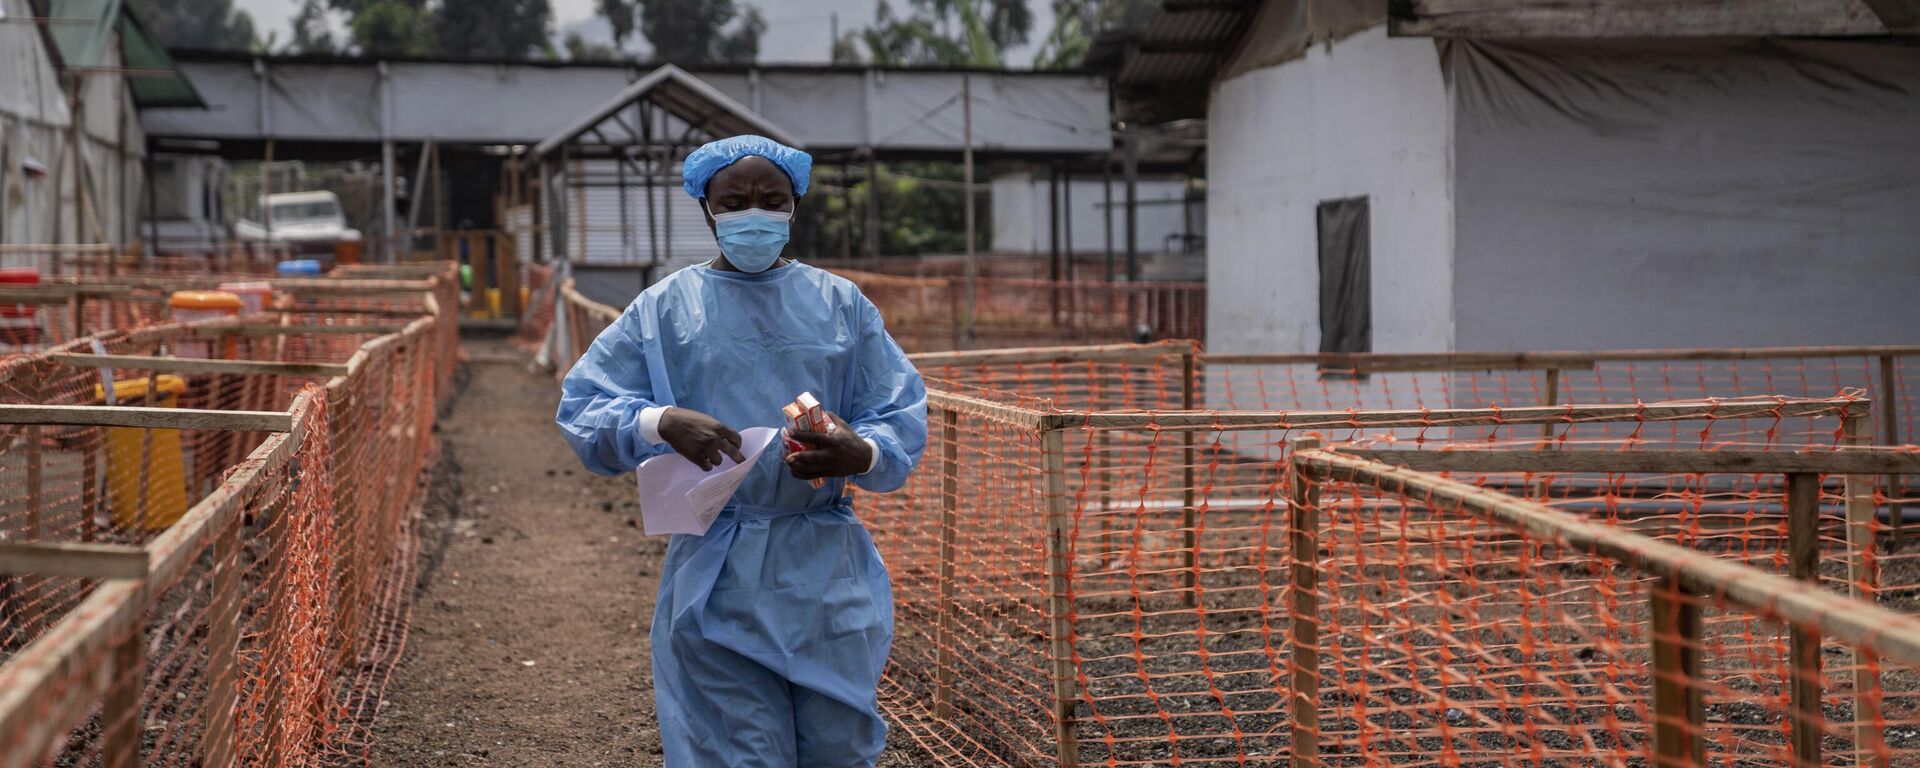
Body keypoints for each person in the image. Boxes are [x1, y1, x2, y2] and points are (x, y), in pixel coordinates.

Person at [555, 134, 928, 767]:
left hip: (825, 571)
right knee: (735, 750)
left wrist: (858, 454)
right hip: (717, 571)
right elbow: (584, 408)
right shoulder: (668, 308)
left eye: (771, 200)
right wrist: (657, 420)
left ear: (794, 205)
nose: (753, 214)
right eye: (735, 201)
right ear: (706, 207)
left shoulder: (840, 307)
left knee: (839, 745)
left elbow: (896, 412)